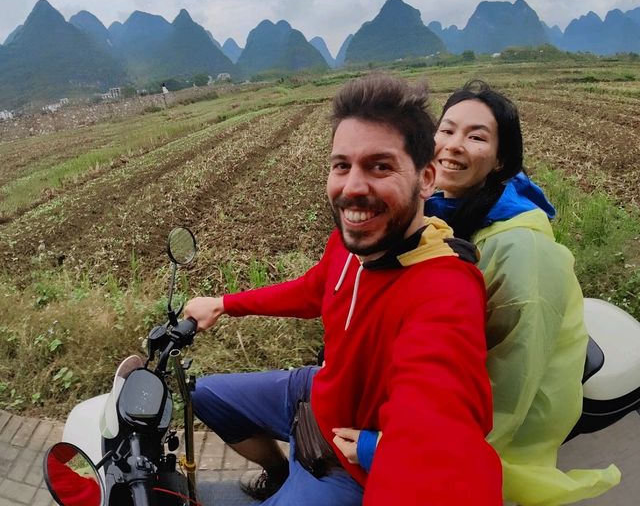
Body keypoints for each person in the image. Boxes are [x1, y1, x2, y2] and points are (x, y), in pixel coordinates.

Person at [185, 74, 502, 505]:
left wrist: (379, 450)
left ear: (426, 178)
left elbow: (443, 446)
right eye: (342, 165)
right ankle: (278, 474)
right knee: (206, 396)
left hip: (346, 463)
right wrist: (225, 303)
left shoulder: (444, 288)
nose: (352, 187)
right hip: (316, 392)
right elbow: (314, 289)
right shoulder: (355, 240)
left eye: (380, 166)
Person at [333, 80, 621, 506]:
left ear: (501, 158)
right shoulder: (440, 205)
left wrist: (391, 447)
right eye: (446, 130)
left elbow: (509, 380)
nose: (453, 145)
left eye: (476, 136)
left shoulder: (521, 248)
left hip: (514, 408)